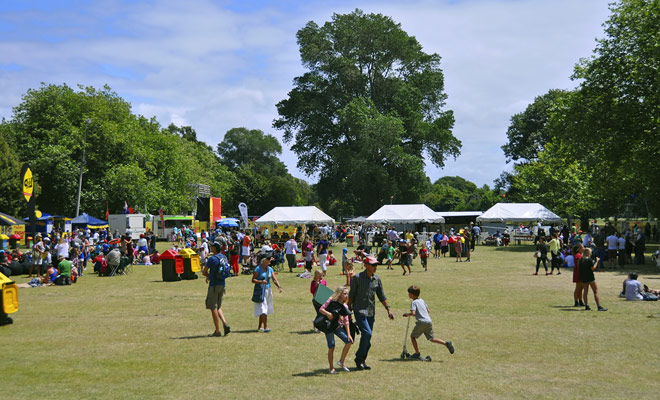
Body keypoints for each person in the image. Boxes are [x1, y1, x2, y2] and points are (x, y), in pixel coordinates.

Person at [347, 254, 394, 370]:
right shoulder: (357, 278)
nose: (375, 267)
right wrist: (347, 312)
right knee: (367, 333)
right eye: (373, 265)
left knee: (368, 338)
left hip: (371, 312)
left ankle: (362, 360)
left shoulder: (376, 279)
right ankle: (359, 358)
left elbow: (381, 295)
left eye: (376, 265)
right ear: (366, 265)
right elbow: (351, 295)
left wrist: (388, 309)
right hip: (359, 310)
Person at [402, 285, 454, 358]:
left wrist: (407, 314)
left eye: (409, 293)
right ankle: (446, 343)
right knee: (431, 339)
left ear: (412, 295)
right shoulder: (422, 300)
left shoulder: (414, 302)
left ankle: (417, 353)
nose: (408, 295)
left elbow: (413, 313)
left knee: (412, 337)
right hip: (428, 321)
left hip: (421, 322)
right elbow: (428, 310)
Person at [319, 286, 354, 374]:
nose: (346, 296)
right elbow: (321, 309)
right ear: (339, 294)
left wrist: (349, 334)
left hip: (337, 327)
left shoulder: (344, 306)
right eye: (344, 294)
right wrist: (328, 314)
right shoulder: (331, 301)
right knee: (332, 347)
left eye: (347, 294)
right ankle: (331, 368)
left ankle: (341, 362)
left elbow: (346, 321)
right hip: (329, 327)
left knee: (349, 341)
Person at [202, 242, 231, 337]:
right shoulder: (224, 257)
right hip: (222, 284)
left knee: (213, 307)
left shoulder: (212, 259)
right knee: (218, 306)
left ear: (214, 248)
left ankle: (217, 331)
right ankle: (225, 323)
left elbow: (204, 272)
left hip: (214, 285)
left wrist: (209, 276)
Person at [252, 256, 283, 332]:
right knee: (263, 308)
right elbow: (253, 280)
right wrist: (261, 282)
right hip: (260, 290)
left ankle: (259, 327)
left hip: (268, 290)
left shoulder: (270, 269)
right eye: (268, 259)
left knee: (265, 308)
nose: (270, 261)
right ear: (264, 260)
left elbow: (274, 279)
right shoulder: (258, 269)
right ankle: (265, 327)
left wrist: (279, 286)